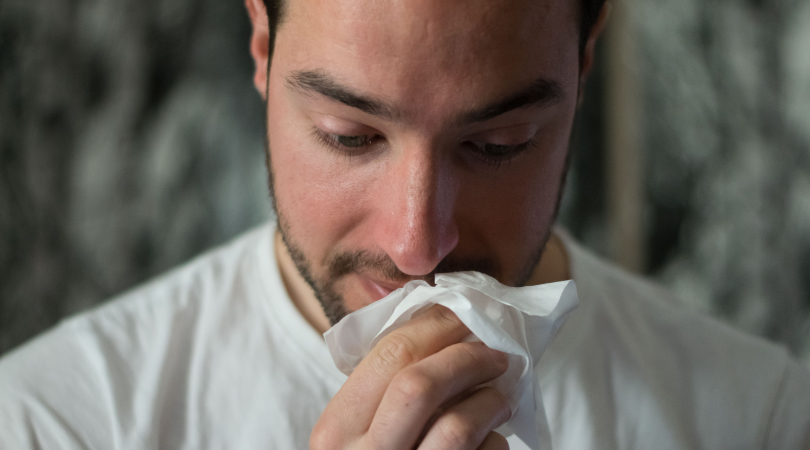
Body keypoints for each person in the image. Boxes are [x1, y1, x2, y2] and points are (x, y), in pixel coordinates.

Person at [1, 0, 809, 448]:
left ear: (583, 61)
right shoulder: (54, 422)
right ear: (260, 44)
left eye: (498, 146)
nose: (417, 244)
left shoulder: (760, 417)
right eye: (350, 137)